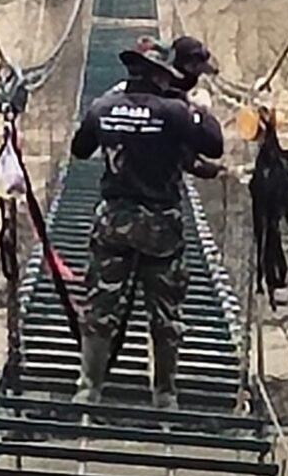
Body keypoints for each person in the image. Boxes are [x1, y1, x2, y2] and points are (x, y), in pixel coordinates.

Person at [70, 36, 224, 409]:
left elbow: (80, 149)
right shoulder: (173, 110)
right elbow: (214, 144)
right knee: (165, 312)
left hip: (114, 220)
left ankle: (89, 387)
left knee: (100, 307)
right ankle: (165, 394)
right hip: (160, 225)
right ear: (160, 75)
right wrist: (198, 109)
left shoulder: (103, 105)